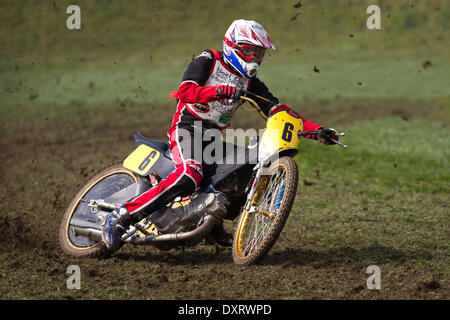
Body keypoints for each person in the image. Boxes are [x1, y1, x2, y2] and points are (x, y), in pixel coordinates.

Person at [102, 19, 338, 252]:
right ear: (232, 46)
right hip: (187, 128)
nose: (255, 59)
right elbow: (185, 91)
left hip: (212, 138)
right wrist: (217, 91)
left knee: (245, 168)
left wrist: (316, 130)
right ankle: (121, 216)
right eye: (249, 52)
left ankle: (210, 223)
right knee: (190, 175)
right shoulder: (209, 60)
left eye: (259, 54)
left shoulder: (251, 83)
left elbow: (278, 110)